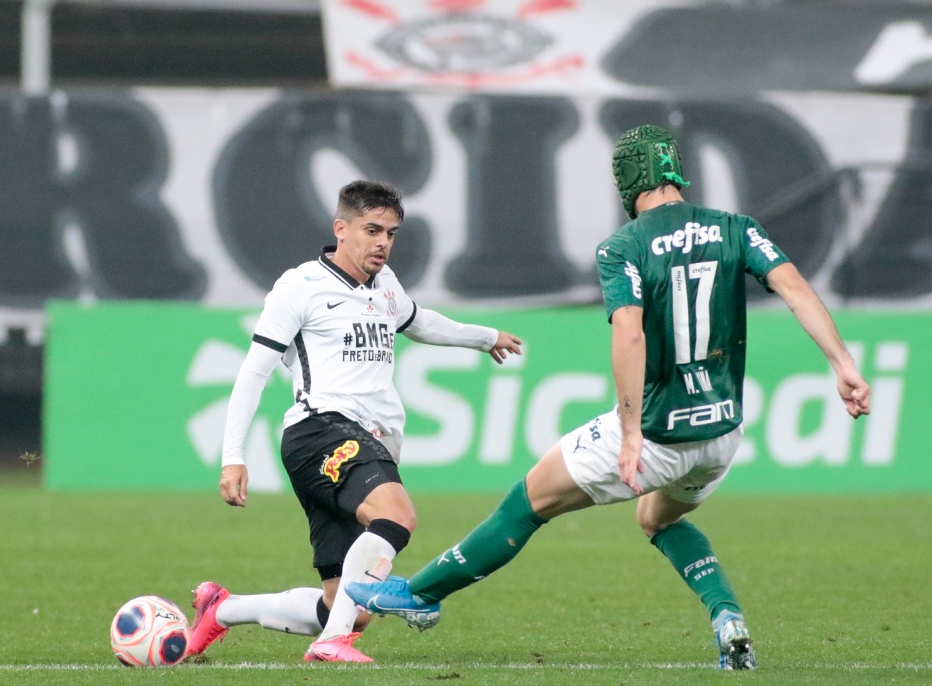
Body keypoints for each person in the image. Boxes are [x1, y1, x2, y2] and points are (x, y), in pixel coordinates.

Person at [345, 125, 872, 670]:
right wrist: (844, 366)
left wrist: (632, 431)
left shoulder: (625, 245)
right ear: (674, 172)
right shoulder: (736, 228)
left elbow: (630, 334)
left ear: (629, 179)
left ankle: (422, 593)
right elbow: (796, 289)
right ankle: (727, 616)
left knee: (527, 503)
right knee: (657, 519)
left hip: (658, 432)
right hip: (720, 432)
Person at [186, 180, 522, 663]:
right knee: (396, 515)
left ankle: (223, 610)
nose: (383, 242)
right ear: (341, 229)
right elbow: (254, 371)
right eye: (372, 229)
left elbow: (421, 323)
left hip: (360, 442)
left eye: (391, 232)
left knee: (346, 604)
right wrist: (233, 456)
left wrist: (485, 336)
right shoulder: (300, 286)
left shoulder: (385, 286)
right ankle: (330, 644)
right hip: (321, 429)